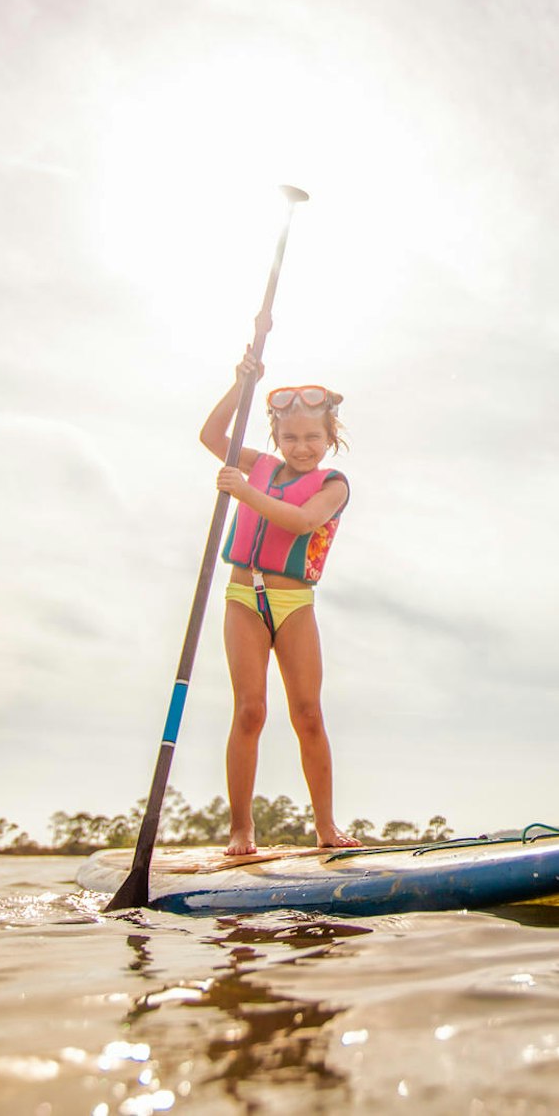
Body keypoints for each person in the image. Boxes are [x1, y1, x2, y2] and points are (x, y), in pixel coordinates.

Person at [198, 347, 360, 856]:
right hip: (244, 597)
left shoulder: (333, 485)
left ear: (329, 436)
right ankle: (241, 830)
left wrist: (243, 493)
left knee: (308, 712)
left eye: (313, 437)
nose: (302, 447)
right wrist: (240, 387)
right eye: (290, 437)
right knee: (249, 711)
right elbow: (211, 438)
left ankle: (326, 828)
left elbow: (303, 521)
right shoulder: (262, 466)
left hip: (294, 606)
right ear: (276, 437)